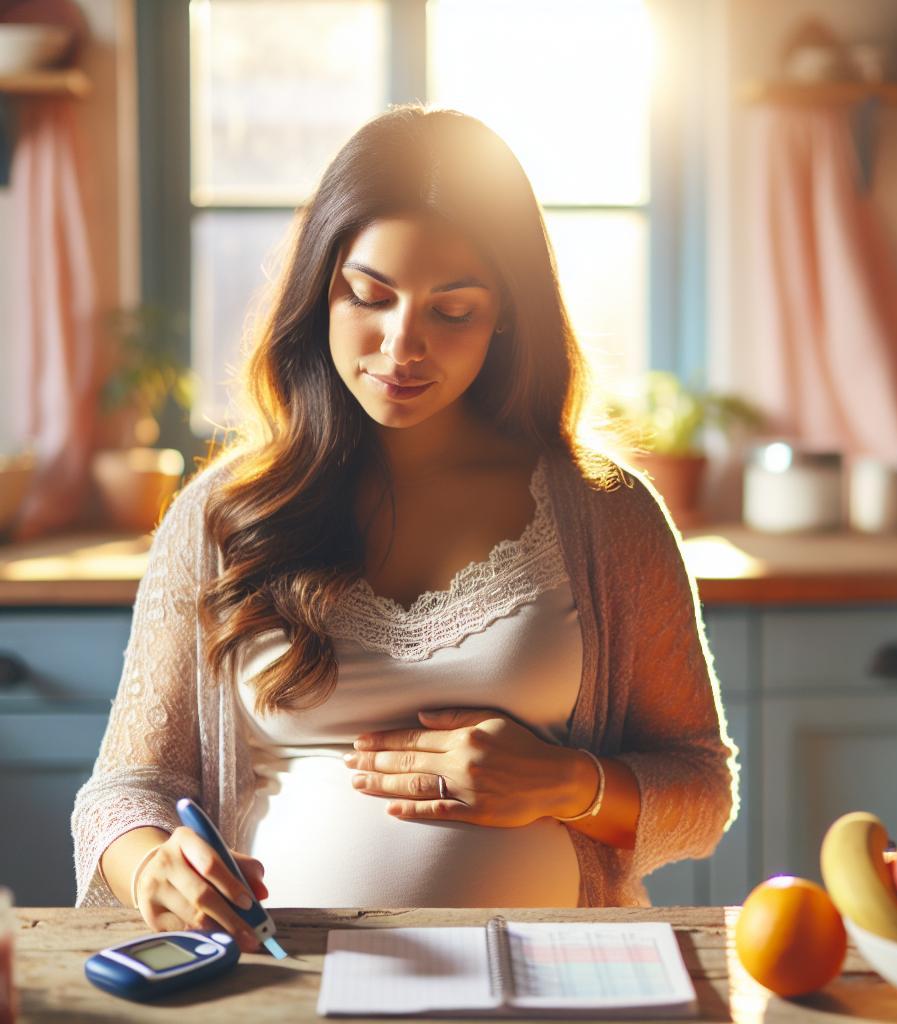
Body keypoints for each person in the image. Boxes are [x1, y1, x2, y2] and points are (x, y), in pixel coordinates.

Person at [71, 105, 738, 952]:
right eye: (370, 297)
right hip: (279, 987)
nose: (402, 345)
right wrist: (153, 867)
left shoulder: (609, 514)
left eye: (451, 311)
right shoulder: (222, 513)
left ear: (506, 317)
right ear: (321, 293)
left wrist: (570, 785)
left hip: (550, 982)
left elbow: (702, 791)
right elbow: (125, 789)